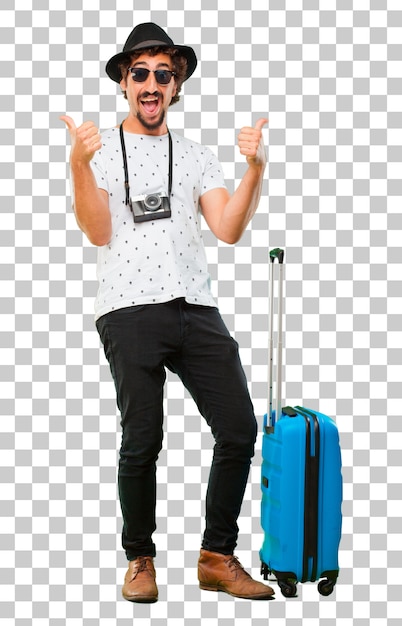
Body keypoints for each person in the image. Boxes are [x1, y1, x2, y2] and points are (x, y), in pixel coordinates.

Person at [61, 22, 273, 603]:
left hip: (195, 306)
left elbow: (227, 229)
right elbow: (99, 230)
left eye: (164, 74)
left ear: (175, 86)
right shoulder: (101, 152)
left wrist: (254, 169)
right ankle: (140, 559)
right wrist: (79, 165)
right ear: (125, 84)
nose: (152, 84)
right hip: (128, 309)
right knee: (143, 437)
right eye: (141, 74)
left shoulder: (198, 156)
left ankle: (216, 556)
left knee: (237, 428)